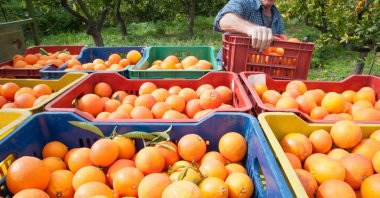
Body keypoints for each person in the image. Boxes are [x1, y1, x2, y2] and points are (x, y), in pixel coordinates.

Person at [214, 0, 285, 63]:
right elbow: (223, 20)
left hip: (259, 69)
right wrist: (251, 28)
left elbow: (278, 51)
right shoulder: (244, 2)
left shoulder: (278, 18)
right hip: (228, 65)